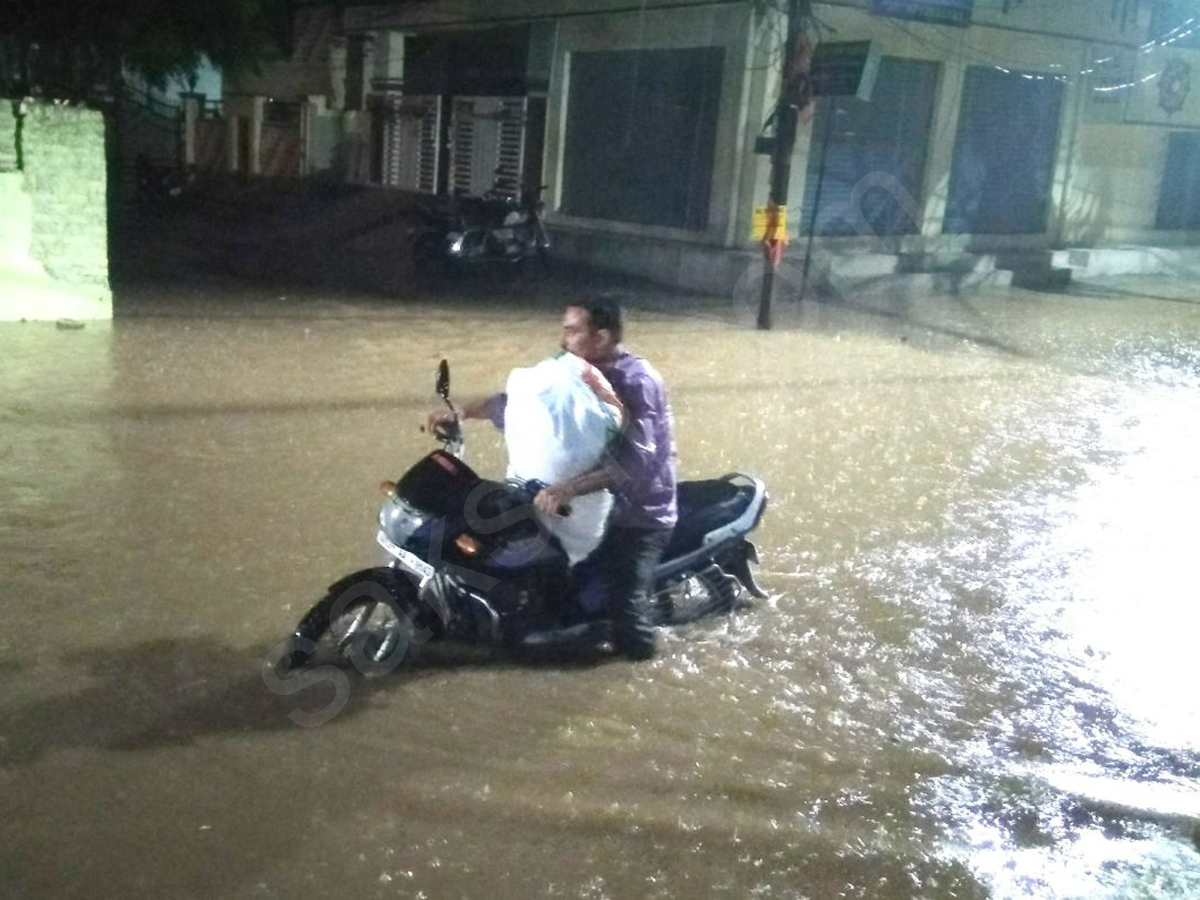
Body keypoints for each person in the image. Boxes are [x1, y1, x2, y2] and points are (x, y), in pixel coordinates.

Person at [427, 298, 677, 659]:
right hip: (562, 504)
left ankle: (636, 664)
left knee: (628, 608)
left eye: (573, 331)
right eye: (564, 329)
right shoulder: (572, 370)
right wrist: (462, 412)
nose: (563, 340)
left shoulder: (636, 382)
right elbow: (519, 402)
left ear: (602, 337)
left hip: (636, 516)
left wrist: (568, 488)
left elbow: (637, 465)